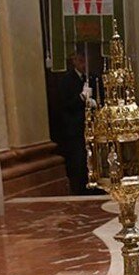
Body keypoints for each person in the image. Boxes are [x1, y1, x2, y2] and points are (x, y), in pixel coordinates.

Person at [52, 47, 97, 195]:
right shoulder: (66, 81)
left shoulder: (91, 78)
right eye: (81, 60)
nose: (84, 64)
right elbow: (63, 105)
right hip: (74, 128)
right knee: (78, 162)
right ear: (74, 61)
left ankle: (93, 187)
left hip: (90, 125)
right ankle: (79, 190)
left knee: (91, 160)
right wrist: (81, 98)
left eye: (86, 61)